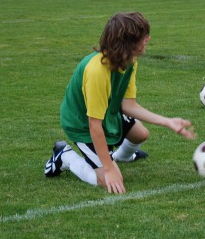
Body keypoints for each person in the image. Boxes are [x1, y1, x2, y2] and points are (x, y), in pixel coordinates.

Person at [45, 12, 196, 194]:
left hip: (108, 112)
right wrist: (108, 168)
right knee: (105, 180)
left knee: (140, 134)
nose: (148, 39)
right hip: (81, 124)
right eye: (143, 36)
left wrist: (167, 121)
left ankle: (120, 158)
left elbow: (128, 105)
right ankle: (64, 157)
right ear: (129, 42)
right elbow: (94, 125)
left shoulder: (130, 60)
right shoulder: (97, 72)